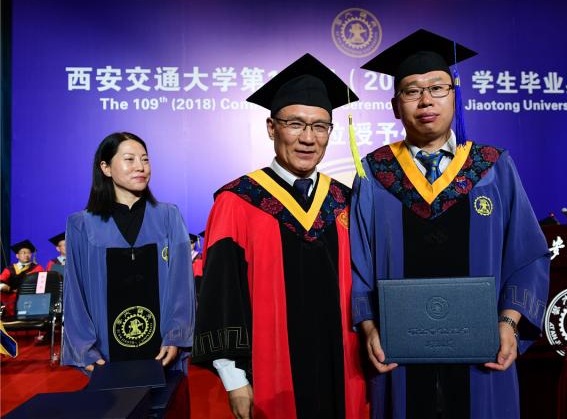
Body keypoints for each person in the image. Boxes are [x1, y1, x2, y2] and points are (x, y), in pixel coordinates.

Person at [350, 29, 550, 418]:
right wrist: (369, 326)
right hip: (399, 354)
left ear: (455, 96)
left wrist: (509, 322)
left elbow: (528, 255)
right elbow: (357, 264)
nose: (426, 100)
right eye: (412, 91)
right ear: (395, 106)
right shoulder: (374, 174)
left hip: (482, 355)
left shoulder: (492, 167)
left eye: (437, 88)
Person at [193, 54, 367, 419]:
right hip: (270, 375)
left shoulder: (344, 200)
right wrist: (234, 379)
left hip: (342, 370)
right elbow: (221, 295)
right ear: (272, 128)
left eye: (320, 126)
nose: (308, 138)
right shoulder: (238, 201)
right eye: (295, 124)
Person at [62, 132, 195, 376]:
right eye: (129, 159)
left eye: (145, 159)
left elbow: (181, 284)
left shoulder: (168, 216)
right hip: (106, 355)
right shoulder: (82, 224)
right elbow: (75, 294)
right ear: (105, 168)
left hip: (163, 352)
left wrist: (176, 335)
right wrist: (84, 348)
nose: (140, 167)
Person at [0, 240, 45, 317]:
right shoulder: (9, 269)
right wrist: (7, 288)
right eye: (23, 253)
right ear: (17, 255)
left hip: (29, 301)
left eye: (29, 253)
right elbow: (1, 281)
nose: (26, 255)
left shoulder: (37, 268)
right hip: (11, 303)